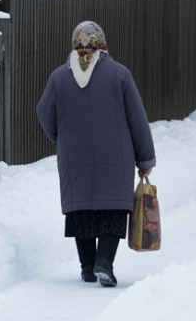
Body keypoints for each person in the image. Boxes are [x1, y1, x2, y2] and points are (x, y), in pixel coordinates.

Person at [36, 21, 155, 287]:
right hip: (116, 155)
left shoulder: (58, 77)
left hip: (73, 156)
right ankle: (104, 262)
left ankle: (88, 267)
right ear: (102, 44)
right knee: (113, 208)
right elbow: (137, 119)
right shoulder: (120, 74)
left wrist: (60, 137)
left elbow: (44, 113)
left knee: (82, 209)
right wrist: (145, 159)